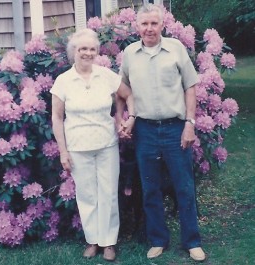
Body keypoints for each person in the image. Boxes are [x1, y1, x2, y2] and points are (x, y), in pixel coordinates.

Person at [119, 4, 206, 262]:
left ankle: (192, 242)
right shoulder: (129, 54)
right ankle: (158, 239)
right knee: (150, 188)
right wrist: (121, 118)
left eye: (153, 23)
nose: (149, 29)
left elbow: (190, 86)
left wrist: (190, 122)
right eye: (144, 24)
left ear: (162, 25)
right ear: (137, 27)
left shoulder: (176, 49)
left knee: (184, 187)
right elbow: (121, 87)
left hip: (175, 128)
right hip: (144, 131)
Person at [51, 28, 134, 261]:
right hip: (77, 147)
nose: (87, 53)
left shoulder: (106, 75)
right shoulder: (63, 81)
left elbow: (127, 94)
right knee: (87, 195)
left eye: (92, 49)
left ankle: (109, 243)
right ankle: (92, 241)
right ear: (73, 52)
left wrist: (129, 117)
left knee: (108, 194)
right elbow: (57, 117)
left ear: (97, 51)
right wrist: (63, 152)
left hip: (106, 144)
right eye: (82, 49)